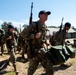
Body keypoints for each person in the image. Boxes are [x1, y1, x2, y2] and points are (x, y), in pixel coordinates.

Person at [26, 10, 54, 75]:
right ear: (40, 15)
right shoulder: (34, 25)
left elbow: (43, 37)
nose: (47, 16)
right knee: (31, 70)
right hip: (34, 52)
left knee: (49, 67)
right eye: (45, 14)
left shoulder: (45, 26)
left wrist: (46, 42)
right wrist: (34, 36)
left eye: (47, 15)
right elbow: (22, 34)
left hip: (42, 50)